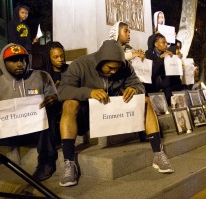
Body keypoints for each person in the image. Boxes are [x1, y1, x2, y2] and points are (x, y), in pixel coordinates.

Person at [57, 40, 174, 187]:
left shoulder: (124, 66)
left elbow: (138, 85)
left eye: (117, 69)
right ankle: (69, 162)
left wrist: (134, 89)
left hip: (113, 111)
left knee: (145, 100)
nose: (114, 72)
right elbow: (62, 91)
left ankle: (158, 153)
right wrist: (89, 92)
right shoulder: (80, 64)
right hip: (87, 114)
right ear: (100, 62)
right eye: (110, 68)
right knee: (69, 103)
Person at [0, 43, 58, 181]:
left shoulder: (41, 76)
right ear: (3, 63)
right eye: (14, 60)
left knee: (48, 112)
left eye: (23, 59)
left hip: (38, 132)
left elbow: (54, 97)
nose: (20, 64)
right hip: (9, 134)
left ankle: (46, 161)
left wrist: (53, 100)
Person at [145, 33, 176, 105]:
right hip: (153, 91)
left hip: (166, 91)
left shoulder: (167, 55)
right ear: (156, 44)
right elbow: (152, 72)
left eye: (166, 43)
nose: (166, 45)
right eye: (163, 42)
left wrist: (174, 60)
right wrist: (161, 58)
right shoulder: (148, 54)